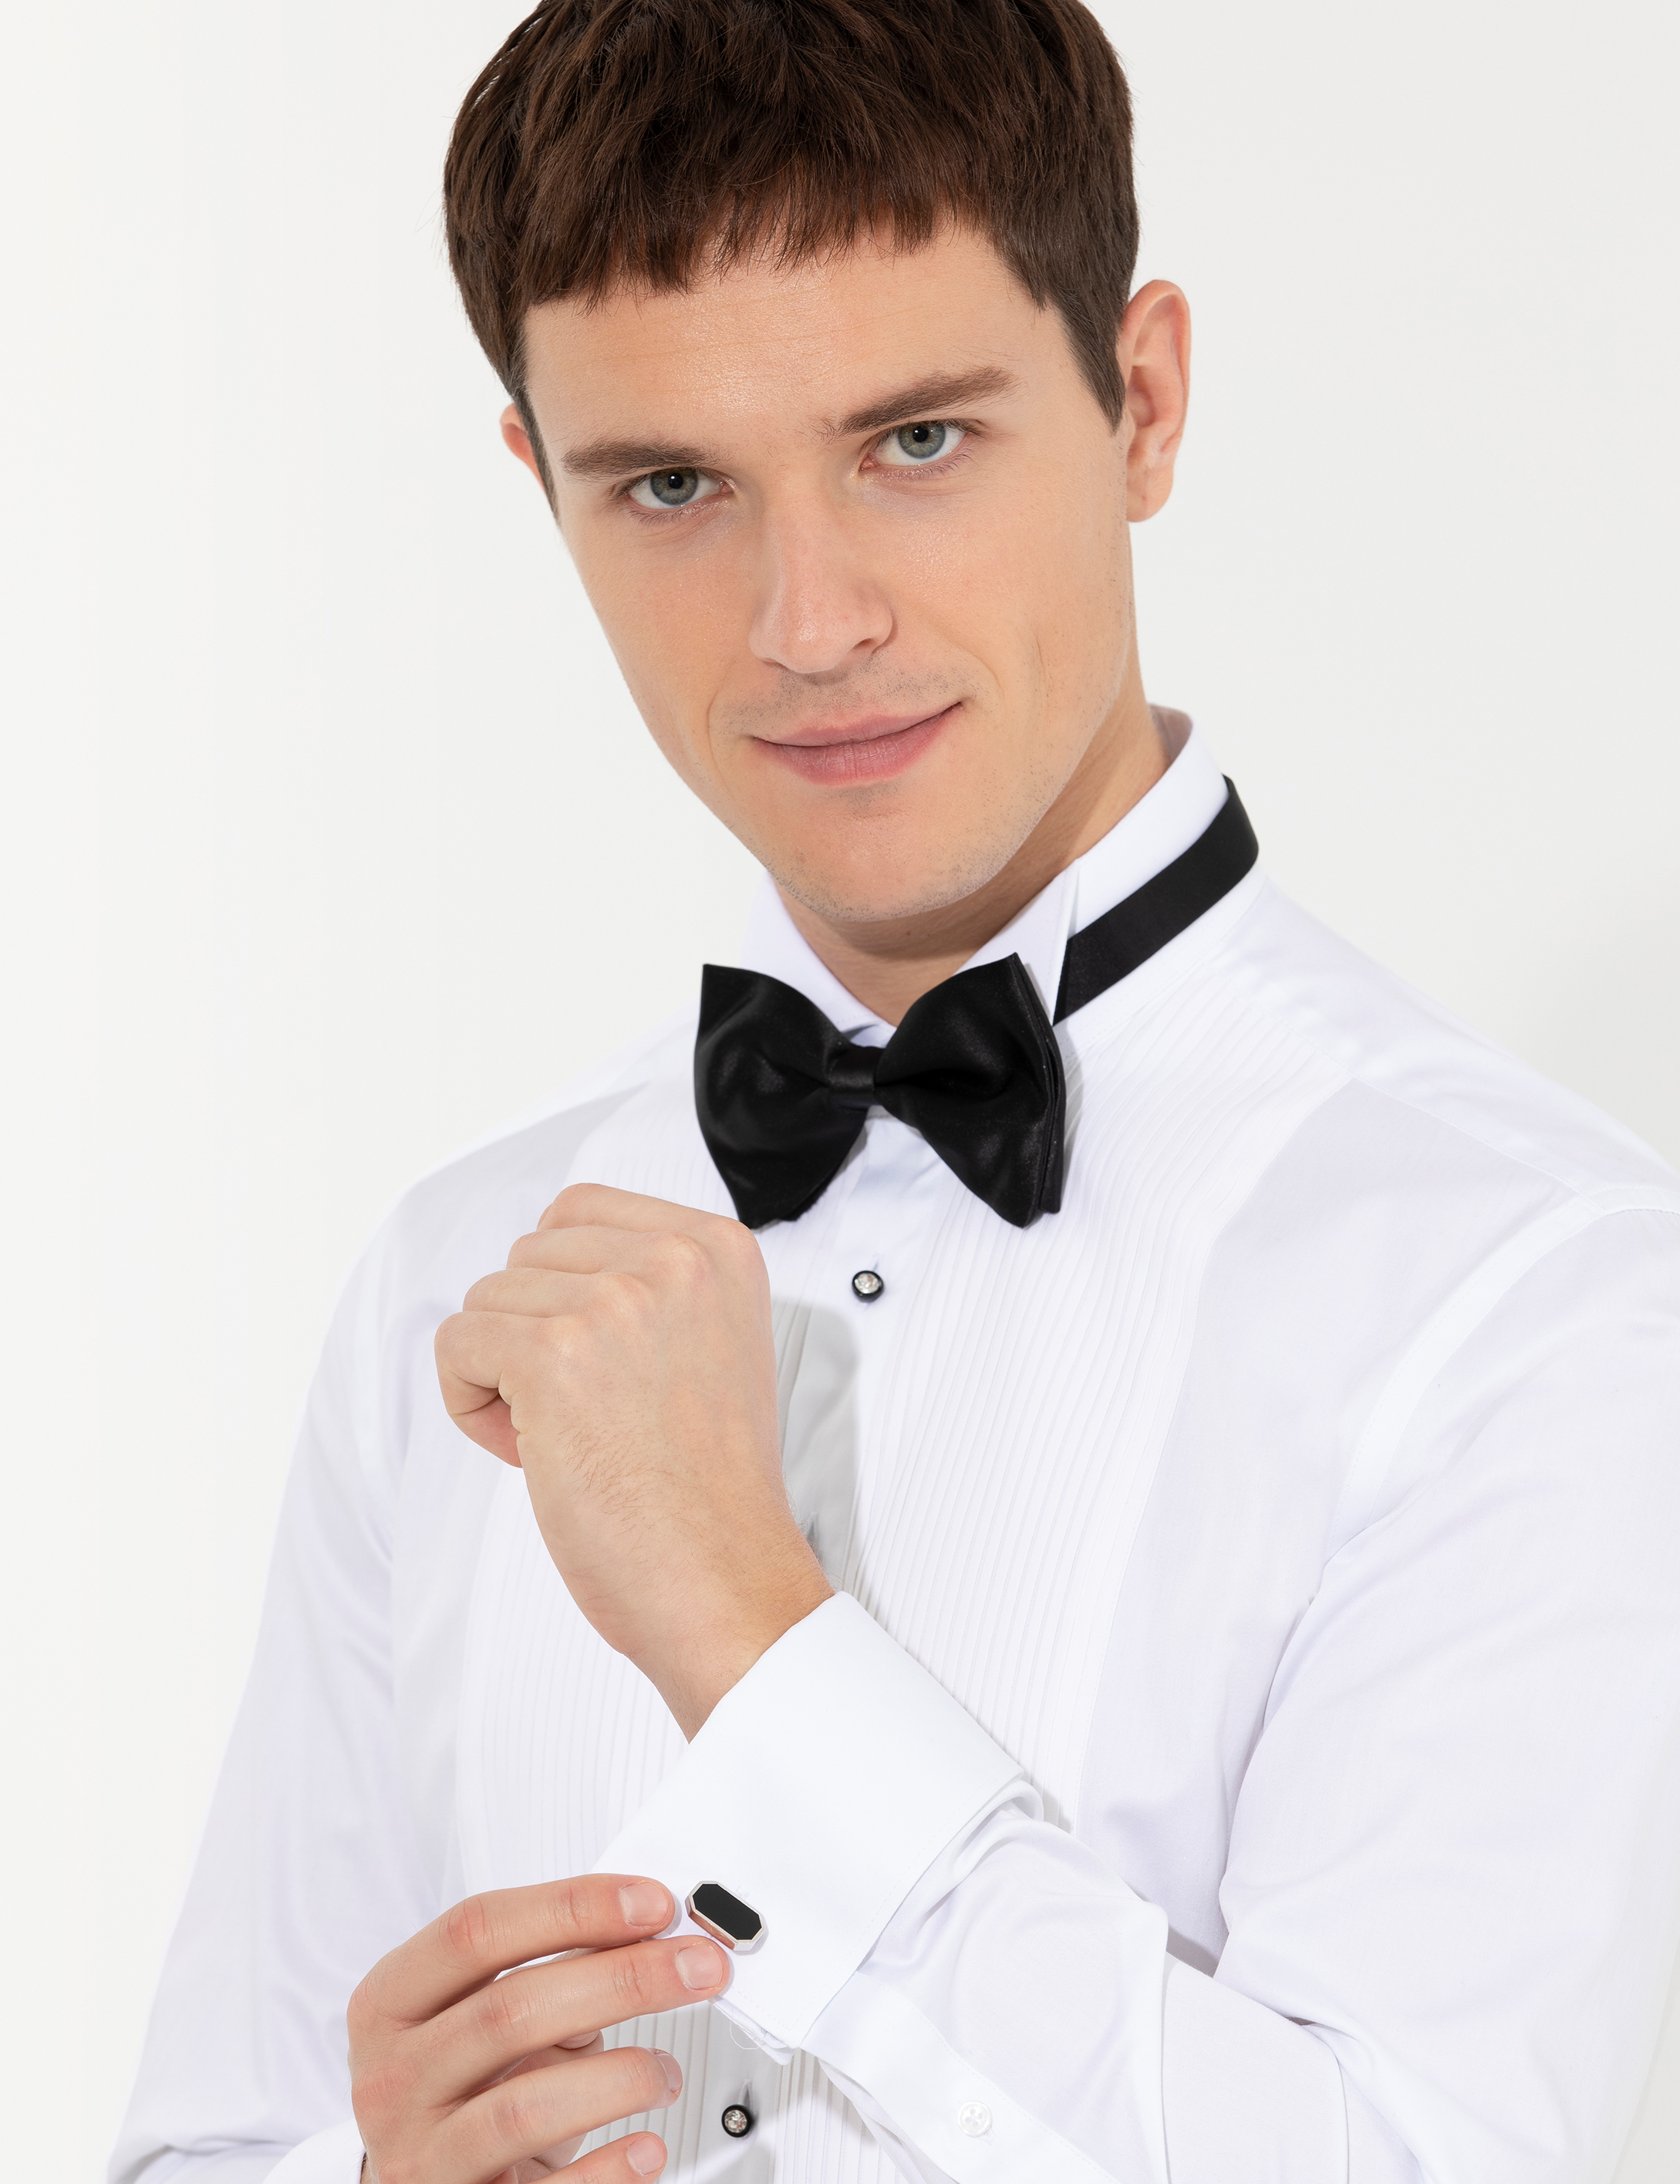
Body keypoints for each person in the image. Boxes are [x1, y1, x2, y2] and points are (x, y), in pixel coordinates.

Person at [113, 2, 1680, 2180]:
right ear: (542, 487)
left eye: (915, 442)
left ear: (1140, 401)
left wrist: (747, 1639)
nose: (807, 621)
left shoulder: (1533, 1287)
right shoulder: (453, 1273)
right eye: (671, 486)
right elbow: (211, 2138)